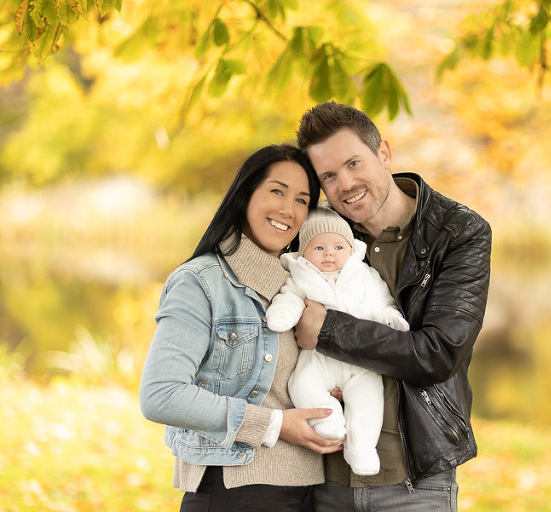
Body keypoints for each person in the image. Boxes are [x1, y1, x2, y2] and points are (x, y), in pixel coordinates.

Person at [294, 102, 492, 511]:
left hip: (415, 482)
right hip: (324, 474)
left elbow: (437, 354)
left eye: (353, 163)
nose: (345, 183)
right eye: (328, 176)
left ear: (383, 153)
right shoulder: (318, 235)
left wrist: (328, 331)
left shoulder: (458, 232)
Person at [139, 144, 345, 512]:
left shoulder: (301, 284)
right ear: (245, 194)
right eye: (277, 191)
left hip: (307, 490)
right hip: (234, 491)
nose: (288, 210)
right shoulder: (201, 282)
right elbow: (161, 394)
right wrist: (275, 424)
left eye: (301, 199)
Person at [266, 207, 409, 477]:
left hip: (360, 361)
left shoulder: (364, 275)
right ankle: (328, 416)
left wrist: (389, 317)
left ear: (351, 249)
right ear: (304, 253)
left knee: (369, 398)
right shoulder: (300, 275)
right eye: (318, 247)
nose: (329, 253)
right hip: (318, 359)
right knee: (301, 385)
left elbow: (381, 301)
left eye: (337, 247)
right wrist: (284, 313)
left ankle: (362, 448)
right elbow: (290, 296)